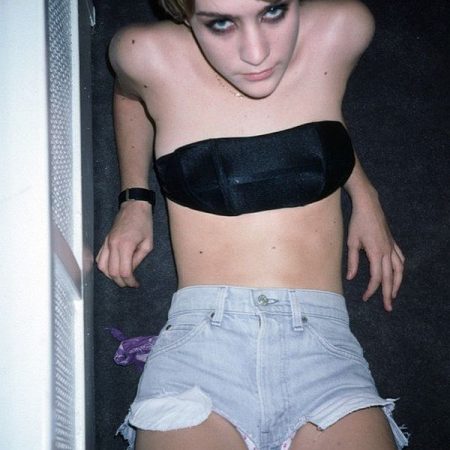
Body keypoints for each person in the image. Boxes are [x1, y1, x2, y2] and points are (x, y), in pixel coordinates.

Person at [96, 0, 409, 449]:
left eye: (274, 11)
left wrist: (364, 193)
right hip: (202, 344)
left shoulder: (343, 28)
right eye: (221, 23)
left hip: (322, 348)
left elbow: (319, 108)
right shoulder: (144, 52)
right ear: (183, 11)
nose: (257, 53)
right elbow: (130, 96)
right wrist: (135, 199)